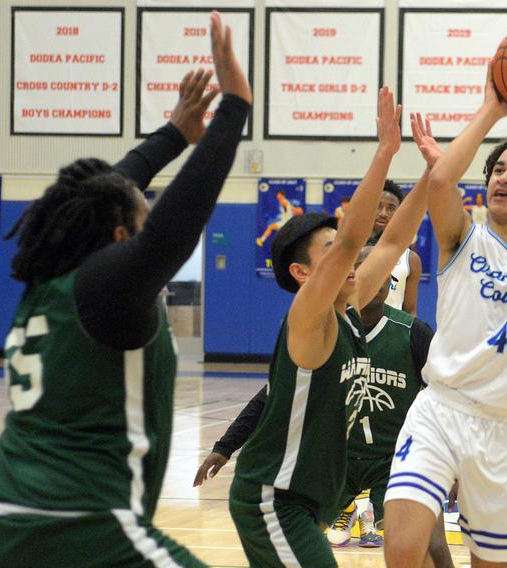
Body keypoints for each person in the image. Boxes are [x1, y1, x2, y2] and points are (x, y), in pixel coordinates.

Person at [0, 12, 251, 567]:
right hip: (74, 521)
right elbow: (177, 222)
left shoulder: (50, 280)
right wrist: (234, 113)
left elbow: (100, 188)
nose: (149, 225)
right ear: (122, 236)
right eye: (141, 221)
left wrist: (175, 133)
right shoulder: (108, 287)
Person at [383, 74, 507, 568]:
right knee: (403, 551)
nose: (502, 178)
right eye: (497, 169)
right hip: (439, 409)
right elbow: (440, 181)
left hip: (502, 428)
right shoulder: (462, 238)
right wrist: (492, 109)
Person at [226, 88, 433, 568]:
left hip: (305, 499)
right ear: (303, 273)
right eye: (332, 249)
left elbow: (397, 236)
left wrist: (432, 174)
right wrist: (384, 151)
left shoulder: (349, 304)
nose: (352, 254)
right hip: (272, 498)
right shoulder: (308, 316)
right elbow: (353, 243)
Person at [194, 246, 453, 567]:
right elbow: (272, 395)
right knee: (297, 536)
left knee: (432, 543)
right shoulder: (328, 330)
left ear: (390, 283)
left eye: (384, 277)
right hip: (337, 459)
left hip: (398, 456)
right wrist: (226, 445)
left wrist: (454, 463)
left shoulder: (414, 333)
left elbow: (446, 398)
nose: (376, 282)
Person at [369, 180, 422, 315]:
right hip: (356, 333)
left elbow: (410, 310)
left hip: (392, 334)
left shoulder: (410, 259)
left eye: (391, 208)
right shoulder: (351, 252)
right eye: (377, 206)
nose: (383, 213)